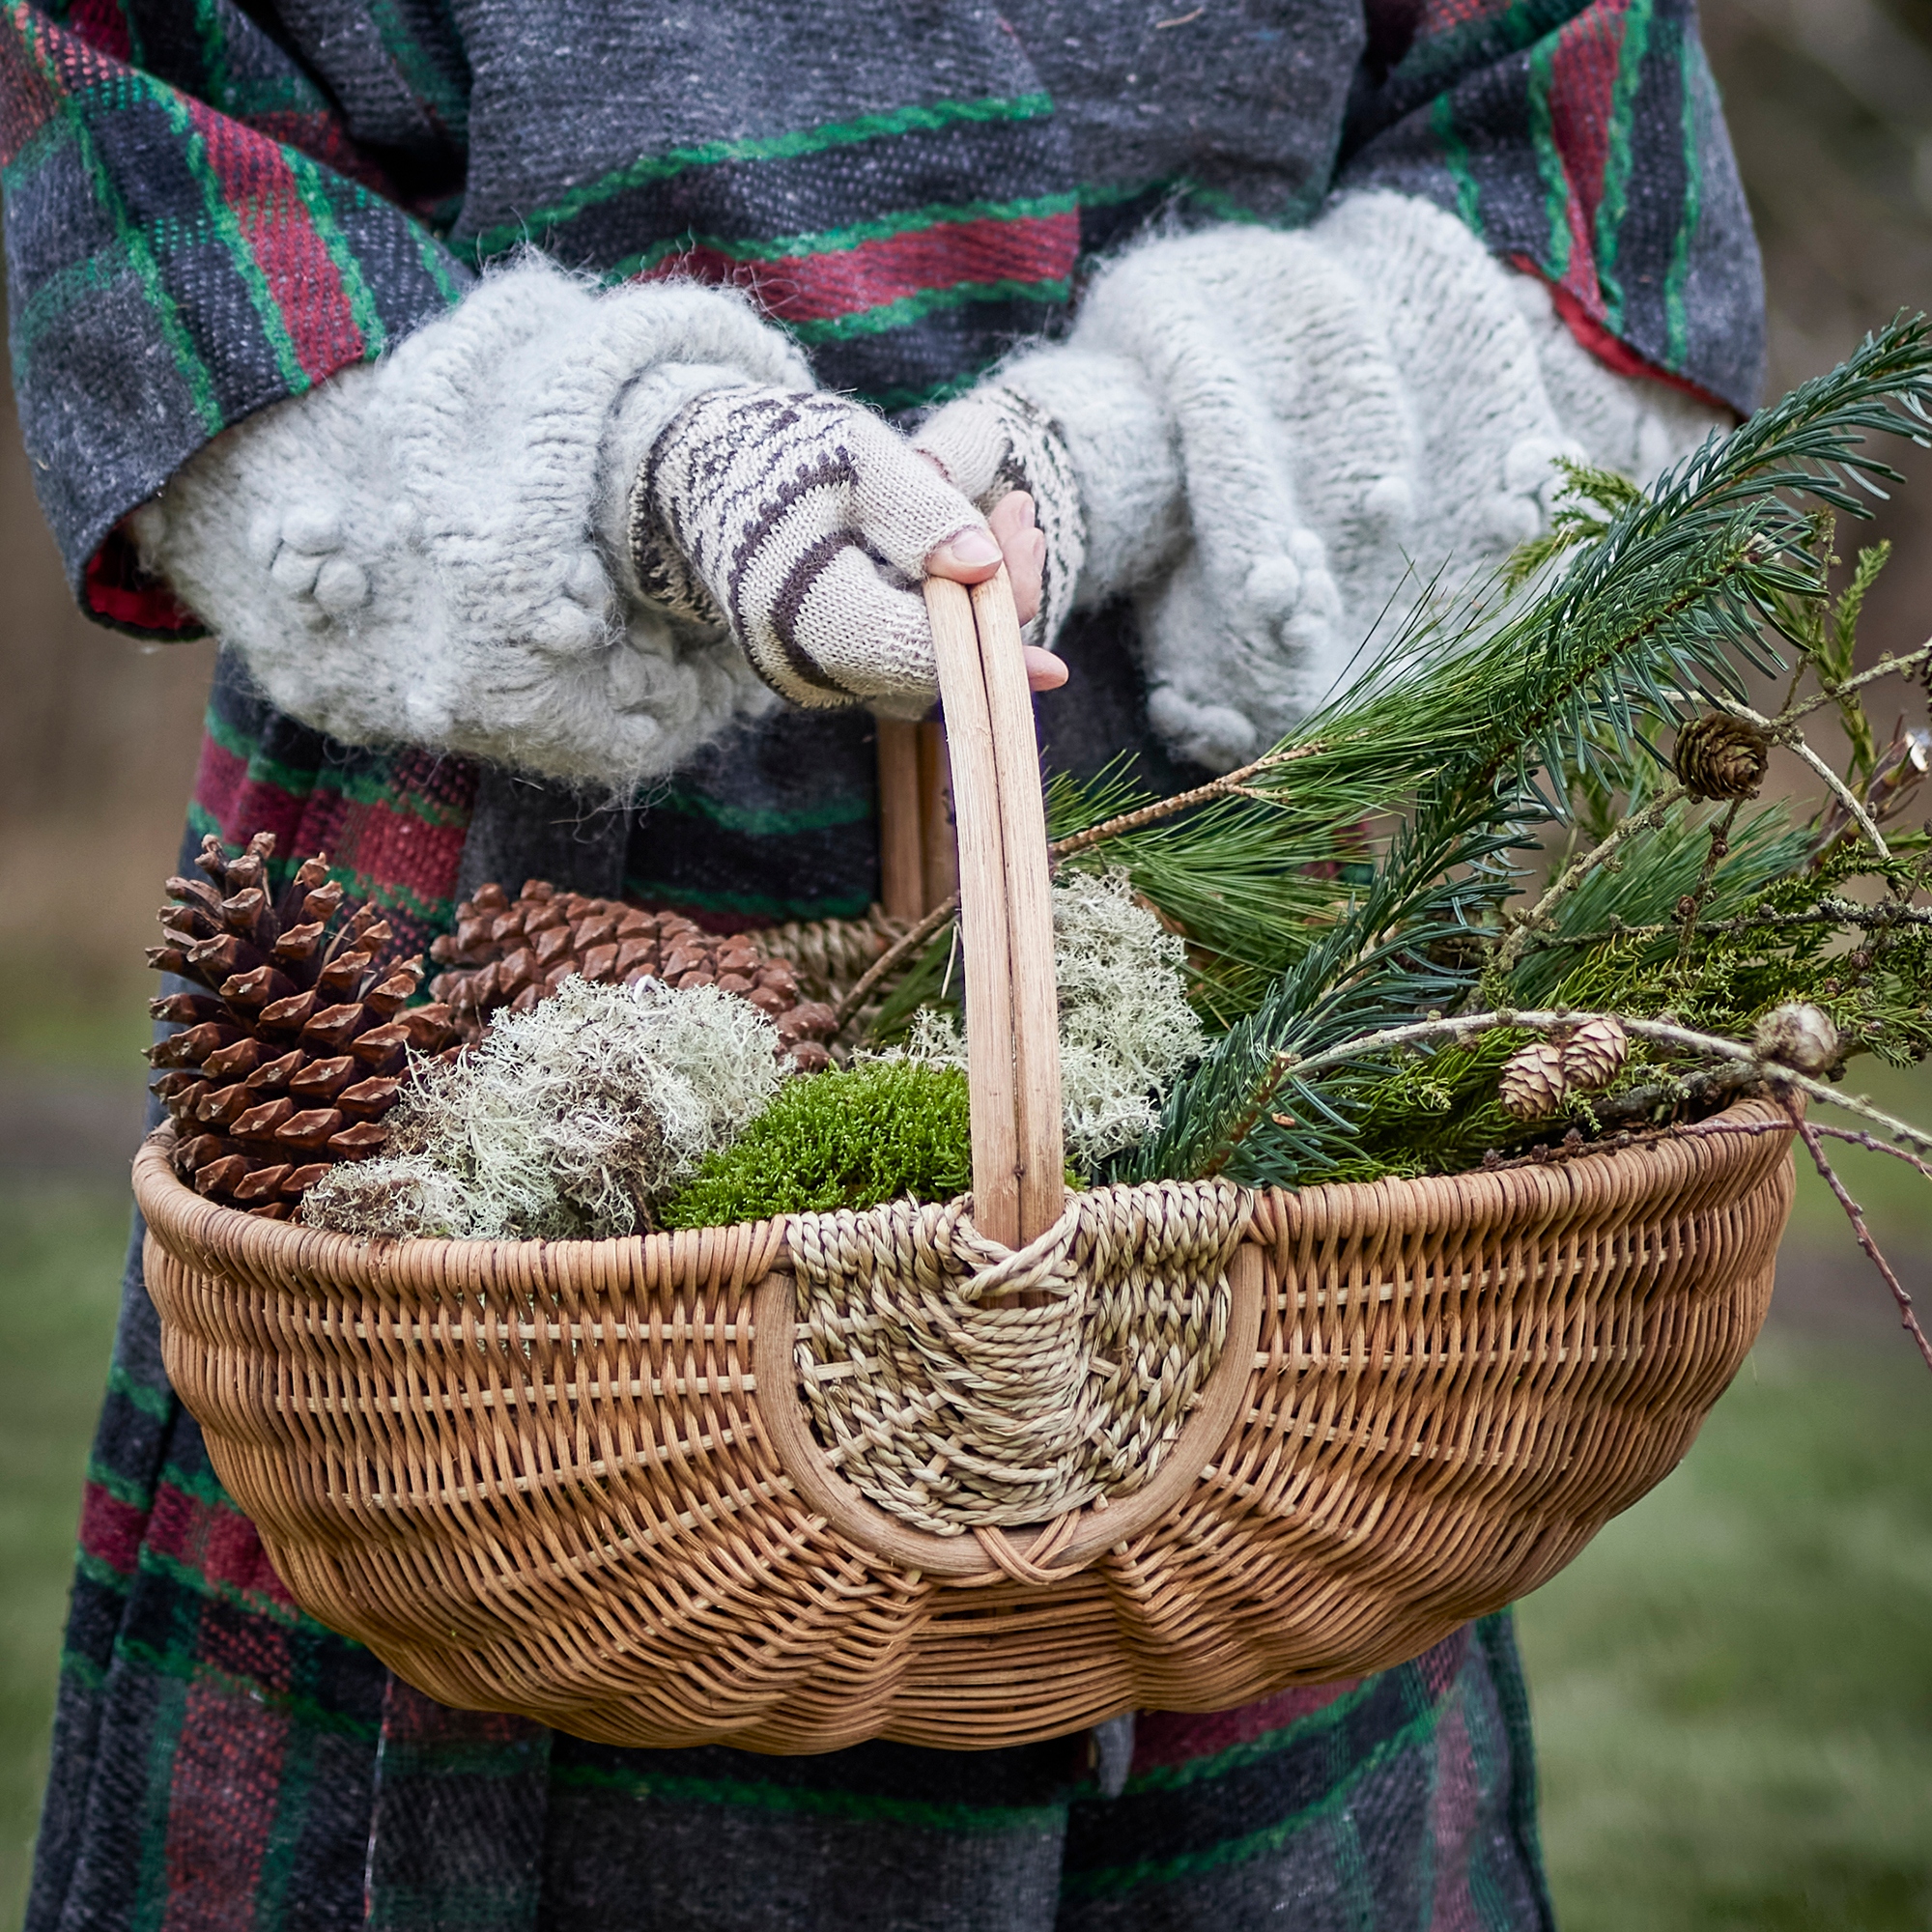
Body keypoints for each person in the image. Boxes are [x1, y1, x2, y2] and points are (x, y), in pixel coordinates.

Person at [6, 2, 1762, 1925]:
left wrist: (1152, 449)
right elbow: (150, 173)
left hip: (1235, 1035)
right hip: (462, 1063)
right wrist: (648, 477)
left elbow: (1590, 230)